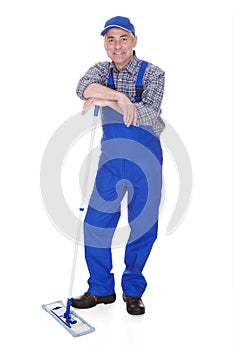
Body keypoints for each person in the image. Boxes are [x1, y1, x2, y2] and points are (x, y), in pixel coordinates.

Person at [71, 16, 165, 315]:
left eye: (123, 38)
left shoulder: (154, 73)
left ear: (134, 41)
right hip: (111, 162)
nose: (117, 45)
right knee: (96, 223)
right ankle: (101, 289)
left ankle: (133, 291)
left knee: (142, 227)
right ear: (105, 44)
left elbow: (148, 113)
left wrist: (105, 101)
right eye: (110, 39)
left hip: (145, 163)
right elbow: (82, 88)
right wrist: (120, 98)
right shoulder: (101, 70)